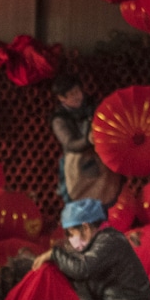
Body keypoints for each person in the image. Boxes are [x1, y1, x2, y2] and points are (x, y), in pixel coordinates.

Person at [51, 73, 122, 208]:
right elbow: (69, 143)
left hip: (100, 158)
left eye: (77, 91)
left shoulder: (92, 105)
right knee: (79, 204)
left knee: (109, 196)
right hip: (76, 164)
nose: (77, 96)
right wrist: (88, 140)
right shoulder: (59, 119)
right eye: (71, 94)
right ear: (62, 98)